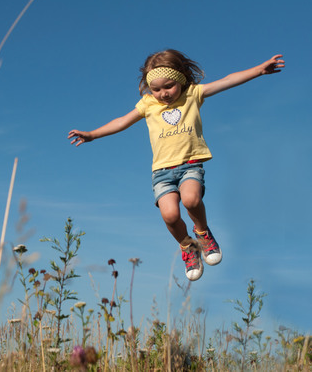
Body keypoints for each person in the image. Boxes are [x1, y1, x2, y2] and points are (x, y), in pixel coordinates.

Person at [68, 49, 285, 281]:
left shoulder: (192, 95)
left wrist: (259, 70)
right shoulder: (148, 104)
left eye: (169, 86)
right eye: (157, 89)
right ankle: (188, 246)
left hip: (190, 164)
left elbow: (227, 81)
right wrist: (93, 134)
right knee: (170, 215)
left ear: (181, 79)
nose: (163, 94)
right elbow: (122, 121)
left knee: (191, 200)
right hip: (161, 172)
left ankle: (202, 233)